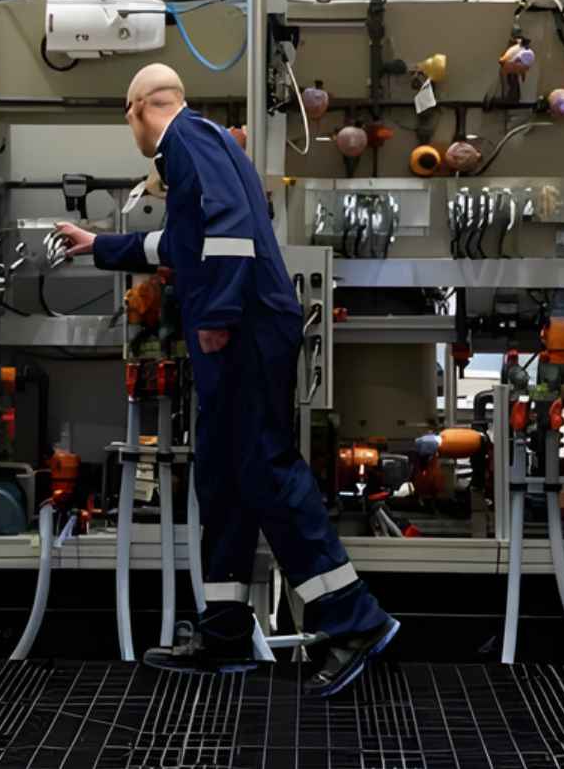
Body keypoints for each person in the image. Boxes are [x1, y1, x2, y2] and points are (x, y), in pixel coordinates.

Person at [55, 63, 398, 697]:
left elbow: (233, 229)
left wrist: (215, 315)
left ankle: (355, 621)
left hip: (244, 332)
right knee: (223, 475)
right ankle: (225, 631)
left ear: (138, 109)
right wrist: (98, 246)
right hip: (243, 330)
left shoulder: (187, 139)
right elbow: (182, 245)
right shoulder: (201, 146)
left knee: (264, 467)